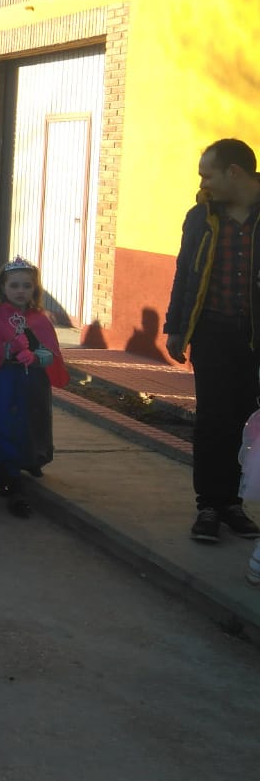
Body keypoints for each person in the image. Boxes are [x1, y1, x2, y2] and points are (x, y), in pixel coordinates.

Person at [166, 138, 260, 544]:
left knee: (247, 421)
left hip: (253, 338)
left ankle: (234, 504)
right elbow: (184, 272)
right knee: (212, 421)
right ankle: (209, 504)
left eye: (208, 173)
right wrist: (175, 327)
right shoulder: (200, 217)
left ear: (233, 172)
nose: (202, 181)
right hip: (212, 334)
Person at [0, 258, 68, 520]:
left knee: (33, 421)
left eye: (26, 286)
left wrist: (38, 356)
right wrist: (7, 350)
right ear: (2, 287)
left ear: (34, 290)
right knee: (4, 423)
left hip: (32, 383)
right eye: (14, 285)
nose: (20, 291)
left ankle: (32, 458)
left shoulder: (39, 319)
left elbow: (52, 352)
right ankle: (6, 471)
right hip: (3, 380)